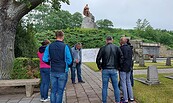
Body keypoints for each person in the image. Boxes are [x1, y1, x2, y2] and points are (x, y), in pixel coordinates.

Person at [43, 30, 72, 103]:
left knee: (53, 91)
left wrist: (50, 62)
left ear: (56, 36)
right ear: (63, 36)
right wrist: (66, 65)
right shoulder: (65, 46)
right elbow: (70, 60)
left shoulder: (49, 46)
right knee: (60, 91)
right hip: (62, 70)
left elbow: (44, 59)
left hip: (53, 70)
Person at [96, 36, 123, 103]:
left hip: (105, 69)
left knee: (104, 87)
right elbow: (121, 57)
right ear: (112, 40)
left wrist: (100, 67)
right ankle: (117, 101)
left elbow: (98, 59)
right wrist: (119, 67)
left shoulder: (103, 48)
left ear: (106, 40)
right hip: (114, 69)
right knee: (116, 87)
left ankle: (104, 101)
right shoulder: (117, 48)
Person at [119, 37, 134, 103]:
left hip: (123, 68)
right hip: (129, 67)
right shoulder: (130, 48)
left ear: (122, 42)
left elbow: (121, 59)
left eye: (120, 40)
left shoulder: (121, 48)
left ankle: (125, 98)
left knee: (123, 83)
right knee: (128, 82)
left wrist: (119, 66)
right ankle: (131, 97)